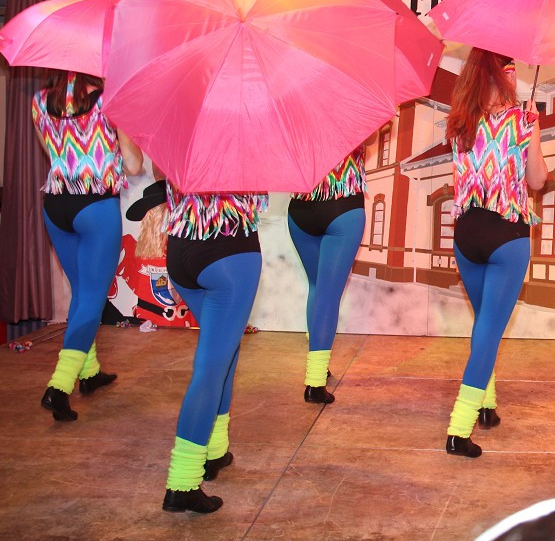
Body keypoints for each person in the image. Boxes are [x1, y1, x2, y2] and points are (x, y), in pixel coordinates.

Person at [443, 48, 548, 458]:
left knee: (483, 322)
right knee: (489, 330)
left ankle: (486, 405)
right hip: (507, 234)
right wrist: (534, 129)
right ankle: (458, 428)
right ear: (504, 77)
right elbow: (537, 180)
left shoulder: (459, 124)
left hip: (467, 234)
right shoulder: (523, 122)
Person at [34, 71, 142, 422]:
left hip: (56, 206)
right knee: (92, 299)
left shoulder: (38, 101)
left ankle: (89, 372)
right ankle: (59, 386)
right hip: (95, 207)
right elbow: (134, 164)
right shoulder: (109, 101)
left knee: (82, 292)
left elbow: (53, 156)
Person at [160, 184, 267, 513]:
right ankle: (183, 482)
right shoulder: (248, 134)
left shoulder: (185, 132)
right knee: (211, 368)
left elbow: (159, 172)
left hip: (181, 249)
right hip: (230, 252)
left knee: (224, 352)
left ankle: (215, 450)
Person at [288, 144, 367, 404]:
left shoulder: (294, 110)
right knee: (328, 295)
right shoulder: (354, 109)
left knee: (316, 286)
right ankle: (314, 383)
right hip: (342, 207)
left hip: (300, 208)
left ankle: (318, 363)